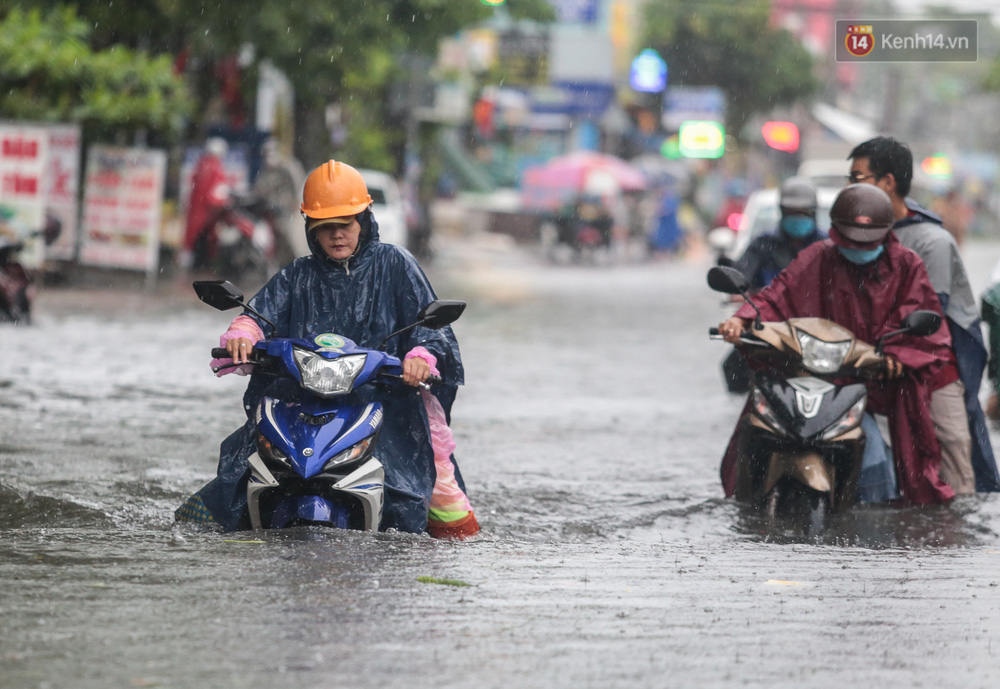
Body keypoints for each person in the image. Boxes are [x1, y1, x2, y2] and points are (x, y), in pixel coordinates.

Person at [176, 160, 479, 539]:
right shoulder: (298, 274)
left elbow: (433, 334)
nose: (337, 235)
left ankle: (453, 550)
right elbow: (260, 313)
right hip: (303, 402)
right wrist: (243, 331)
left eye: (345, 225)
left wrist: (421, 358)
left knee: (439, 493)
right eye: (325, 227)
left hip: (387, 402)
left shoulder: (396, 265)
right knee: (234, 478)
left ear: (364, 221)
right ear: (310, 230)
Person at [718, 184, 957, 505]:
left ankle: (876, 517)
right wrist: (742, 320)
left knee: (877, 462)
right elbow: (778, 295)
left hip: (872, 382)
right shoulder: (818, 256)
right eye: (851, 240)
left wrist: (896, 357)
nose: (859, 248)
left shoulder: (906, 265)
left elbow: (923, 321)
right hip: (815, 375)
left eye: (868, 241)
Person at [848, 136, 1000, 494]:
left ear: (887, 182)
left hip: (935, 367)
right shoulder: (852, 235)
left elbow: (930, 309)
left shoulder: (932, 240)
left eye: (858, 178)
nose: (851, 187)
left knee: (954, 469)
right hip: (868, 362)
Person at [721, 177, 827, 394]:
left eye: (803, 213)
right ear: (782, 212)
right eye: (792, 213)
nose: (798, 218)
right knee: (734, 367)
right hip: (767, 326)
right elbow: (742, 277)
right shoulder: (763, 244)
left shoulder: (826, 247)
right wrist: (743, 301)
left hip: (819, 329)